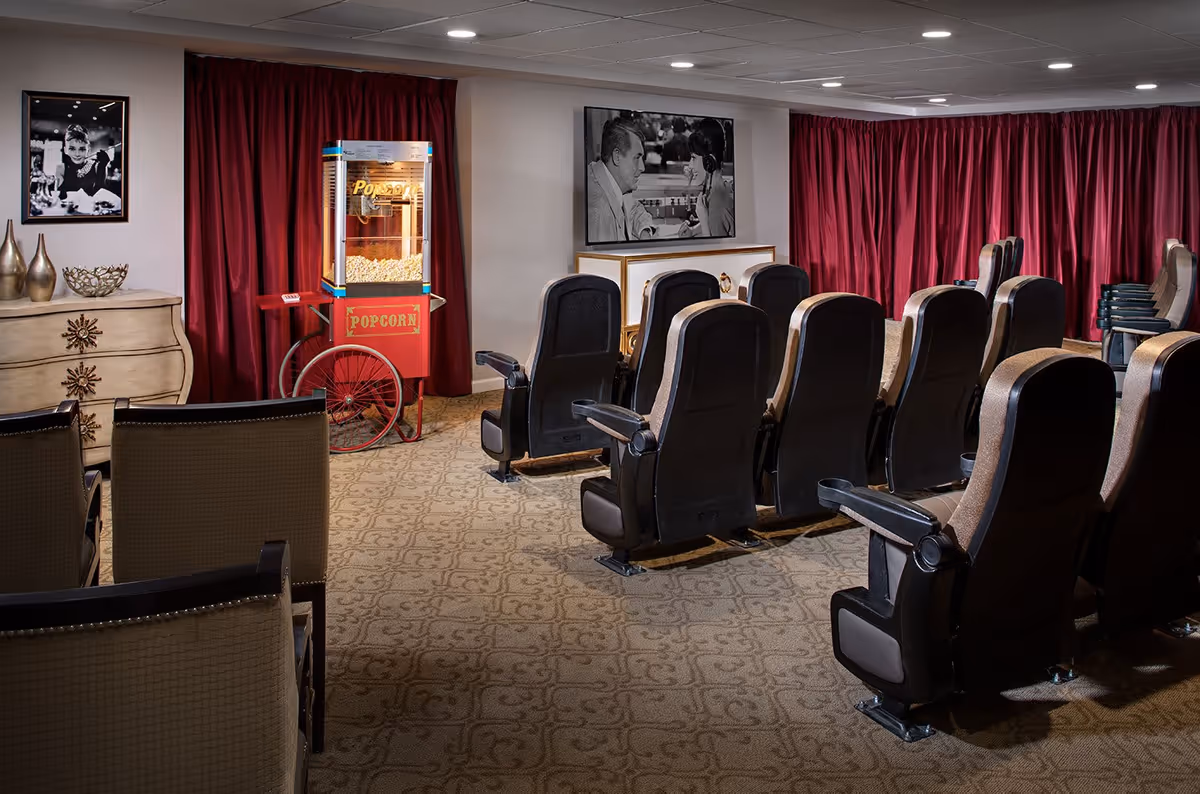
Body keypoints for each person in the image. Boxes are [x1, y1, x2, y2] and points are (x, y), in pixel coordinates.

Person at [587, 117, 657, 242]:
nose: (642, 167)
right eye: (637, 158)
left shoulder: (611, 181)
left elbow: (633, 209)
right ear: (617, 157)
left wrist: (644, 231)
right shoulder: (598, 212)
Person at [679, 117, 734, 239]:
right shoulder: (721, 190)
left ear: (708, 162)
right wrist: (693, 231)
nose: (690, 165)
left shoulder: (717, 206)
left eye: (693, 158)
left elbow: (717, 255)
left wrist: (703, 221)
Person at [56, 124, 112, 199]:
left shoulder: (96, 166)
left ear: (88, 150)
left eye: (82, 149)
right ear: (65, 150)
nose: (77, 154)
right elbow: (58, 196)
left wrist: (102, 167)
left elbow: (101, 195)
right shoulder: (61, 168)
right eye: (72, 149)